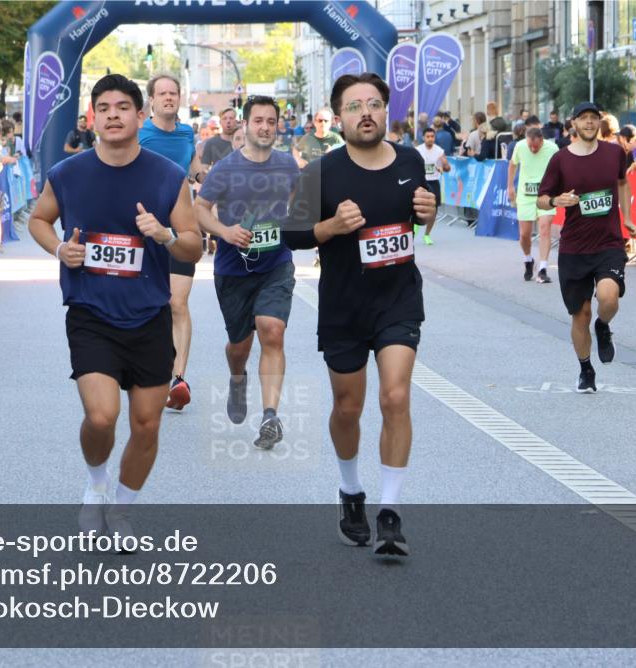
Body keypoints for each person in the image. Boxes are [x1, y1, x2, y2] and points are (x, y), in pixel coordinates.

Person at [27, 73, 202, 538]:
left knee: (146, 425)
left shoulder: (168, 177)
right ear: (92, 117)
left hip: (148, 315)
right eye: (103, 108)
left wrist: (164, 235)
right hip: (91, 313)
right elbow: (40, 220)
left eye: (122, 107)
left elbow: (192, 245)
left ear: (140, 116)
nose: (112, 115)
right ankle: (95, 485)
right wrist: (59, 249)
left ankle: (122, 510)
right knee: (102, 416)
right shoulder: (68, 174)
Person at [285, 72, 437, 558]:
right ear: (339, 116)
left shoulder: (411, 160)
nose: (365, 112)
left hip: (397, 299)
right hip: (343, 305)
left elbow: (422, 216)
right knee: (348, 408)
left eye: (373, 103)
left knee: (395, 397)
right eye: (354, 106)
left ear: (385, 111)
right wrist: (330, 226)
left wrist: (429, 212)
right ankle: (351, 491)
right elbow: (292, 234)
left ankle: (390, 513)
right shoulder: (321, 172)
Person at [194, 95, 298, 449]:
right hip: (233, 269)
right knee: (239, 346)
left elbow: (301, 204)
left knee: (272, 330)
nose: (265, 127)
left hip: (276, 264)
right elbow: (201, 209)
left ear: (277, 126)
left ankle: (270, 416)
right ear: (246, 124)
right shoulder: (225, 168)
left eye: (271, 121)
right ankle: (237, 378)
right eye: (259, 121)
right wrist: (223, 232)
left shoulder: (288, 165)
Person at [537, 101, 636, 394]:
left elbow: (623, 182)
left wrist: (627, 217)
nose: (590, 123)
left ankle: (603, 325)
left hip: (608, 241)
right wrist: (556, 201)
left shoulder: (614, 152)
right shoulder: (561, 160)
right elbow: (542, 198)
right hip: (574, 247)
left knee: (608, 298)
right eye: (584, 119)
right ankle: (586, 369)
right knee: (579, 314)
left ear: (600, 123)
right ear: (574, 124)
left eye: (594, 118)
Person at [138, 73, 205, 411]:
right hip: (143, 230)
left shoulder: (186, 133)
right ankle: (151, 370)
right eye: (162, 93)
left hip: (181, 229)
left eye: (173, 93)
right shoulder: (138, 133)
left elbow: (192, 167)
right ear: (151, 99)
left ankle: (178, 379)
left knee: (177, 303)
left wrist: (207, 177)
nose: (168, 97)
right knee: (153, 305)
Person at [508, 126, 559, 283]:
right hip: (525, 196)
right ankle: (528, 260)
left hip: (545, 195)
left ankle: (543, 268)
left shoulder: (552, 148)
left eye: (535, 146)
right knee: (524, 234)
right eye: (530, 145)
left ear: (542, 140)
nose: (532, 149)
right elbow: (512, 164)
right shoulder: (520, 146)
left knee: (544, 229)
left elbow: (561, 168)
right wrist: (510, 186)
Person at [416, 127, 450, 245]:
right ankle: (415, 226)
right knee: (417, 206)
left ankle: (427, 235)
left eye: (432, 137)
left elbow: (447, 168)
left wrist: (444, 165)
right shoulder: (418, 150)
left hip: (434, 182)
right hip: (421, 181)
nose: (430, 139)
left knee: (433, 210)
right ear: (424, 138)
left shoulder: (439, 151)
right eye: (428, 137)